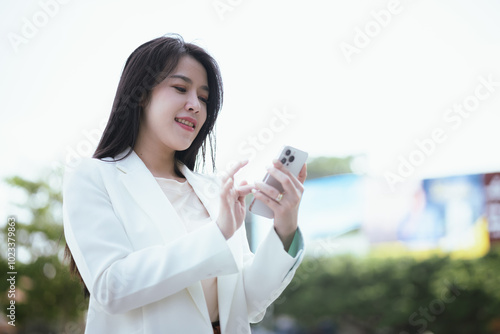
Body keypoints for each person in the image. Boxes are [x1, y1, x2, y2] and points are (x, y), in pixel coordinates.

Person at [63, 34, 307, 334]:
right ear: (141, 94)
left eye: (203, 98)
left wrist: (286, 225)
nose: (195, 105)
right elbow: (111, 287)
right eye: (180, 88)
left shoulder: (215, 190)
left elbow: (249, 304)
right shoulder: (92, 177)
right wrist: (218, 234)